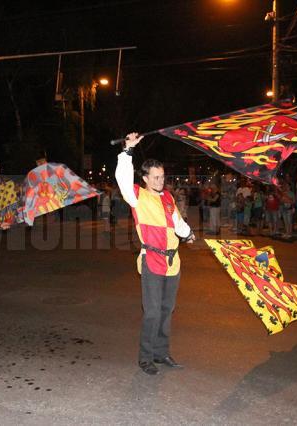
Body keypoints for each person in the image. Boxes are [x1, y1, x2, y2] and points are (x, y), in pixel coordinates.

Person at [115, 132, 195, 376]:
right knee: (151, 312)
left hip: (173, 262)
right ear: (146, 178)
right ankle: (145, 357)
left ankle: (161, 352)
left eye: (162, 176)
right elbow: (122, 177)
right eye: (156, 177)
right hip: (152, 260)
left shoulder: (168, 197)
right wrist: (127, 151)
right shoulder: (137, 196)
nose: (161, 181)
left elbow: (177, 222)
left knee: (166, 310)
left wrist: (189, 234)